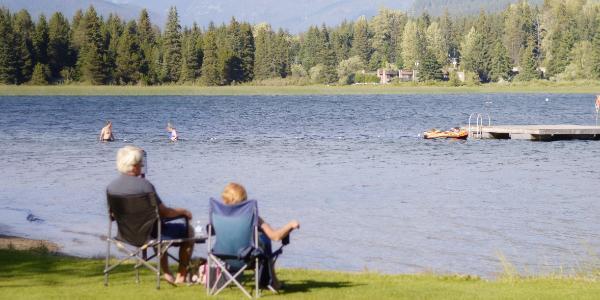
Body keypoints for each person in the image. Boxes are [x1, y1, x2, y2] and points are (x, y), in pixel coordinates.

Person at [107, 145, 193, 284]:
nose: (141, 166)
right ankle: (181, 275)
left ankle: (166, 272)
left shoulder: (112, 187)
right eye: (140, 163)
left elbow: (112, 215)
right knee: (188, 231)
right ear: (134, 166)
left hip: (125, 235)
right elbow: (165, 212)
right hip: (150, 235)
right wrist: (184, 212)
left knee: (155, 228)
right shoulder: (145, 186)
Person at [220, 182, 300, 290]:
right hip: (247, 260)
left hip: (224, 258)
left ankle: (272, 282)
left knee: (262, 241)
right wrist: (290, 225)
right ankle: (272, 283)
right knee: (264, 240)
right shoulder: (252, 218)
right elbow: (275, 236)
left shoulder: (219, 217)